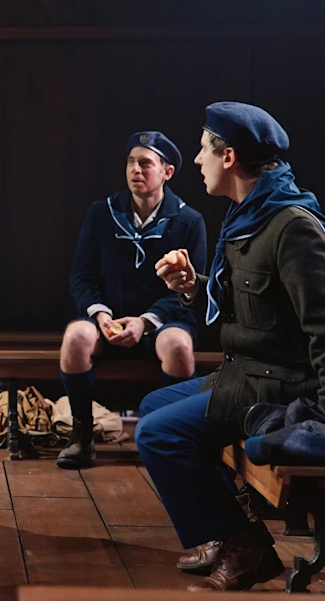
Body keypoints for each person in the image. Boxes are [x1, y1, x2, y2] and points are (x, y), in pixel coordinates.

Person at [142, 102, 325, 592]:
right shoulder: (249, 216)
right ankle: (227, 534)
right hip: (247, 372)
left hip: (277, 387)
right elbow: (246, 307)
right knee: (154, 405)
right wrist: (192, 287)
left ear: (230, 157)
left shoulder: (291, 227)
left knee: (157, 435)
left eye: (202, 151)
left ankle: (247, 544)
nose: (197, 161)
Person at [56, 131, 207, 469]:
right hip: (106, 320)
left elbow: (190, 288)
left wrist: (146, 320)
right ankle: (82, 435)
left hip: (161, 321)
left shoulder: (188, 221)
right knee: (75, 338)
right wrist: (101, 316)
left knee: (180, 346)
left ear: (167, 172)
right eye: (130, 163)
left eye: (145, 163)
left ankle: (169, 439)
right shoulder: (102, 213)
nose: (135, 170)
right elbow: (81, 276)